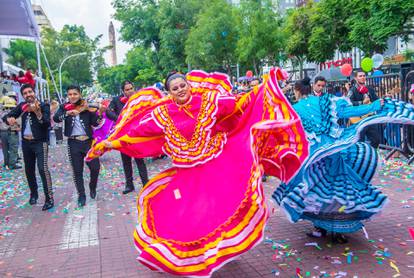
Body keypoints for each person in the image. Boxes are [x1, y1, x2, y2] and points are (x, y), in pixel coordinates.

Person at [86, 68, 309, 276]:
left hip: (216, 165)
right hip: (187, 175)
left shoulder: (209, 102)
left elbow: (240, 104)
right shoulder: (163, 114)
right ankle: (189, 255)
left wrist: (267, 84)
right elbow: (137, 132)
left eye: (183, 85)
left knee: (225, 205)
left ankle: (222, 247)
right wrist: (108, 144)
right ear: (169, 93)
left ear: (189, 86)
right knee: (188, 215)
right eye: (175, 88)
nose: (180, 90)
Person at [273, 77, 414, 243]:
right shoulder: (327, 102)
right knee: (339, 188)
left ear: (297, 91)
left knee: (316, 190)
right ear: (311, 87)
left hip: (314, 157)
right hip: (335, 150)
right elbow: (350, 112)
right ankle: (338, 231)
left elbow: (279, 129)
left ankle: (322, 228)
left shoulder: (294, 109)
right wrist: (374, 106)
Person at [2, 84, 54, 211]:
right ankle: (34, 194)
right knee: (29, 170)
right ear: (23, 95)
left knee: (43, 169)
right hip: (26, 143)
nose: (28, 94)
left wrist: (37, 112)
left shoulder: (43, 106)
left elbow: (47, 123)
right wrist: (10, 119)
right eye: (25, 93)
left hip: (40, 142)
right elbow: (6, 117)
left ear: (34, 92)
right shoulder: (22, 106)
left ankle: (49, 198)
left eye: (30, 92)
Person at [53, 85, 103, 207]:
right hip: (73, 142)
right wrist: (67, 113)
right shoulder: (64, 107)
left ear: (80, 94)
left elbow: (95, 123)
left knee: (95, 167)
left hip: (88, 142)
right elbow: (56, 118)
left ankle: (92, 186)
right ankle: (82, 195)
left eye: (75, 94)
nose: (72, 96)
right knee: (77, 171)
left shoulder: (86, 106)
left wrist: (100, 113)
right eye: (70, 94)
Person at [106, 80, 149, 194]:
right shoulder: (116, 100)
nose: (129, 91)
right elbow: (108, 112)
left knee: (140, 160)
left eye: (131, 88)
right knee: (126, 161)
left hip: (136, 134)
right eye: (127, 89)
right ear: (123, 91)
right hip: (122, 135)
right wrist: (120, 120)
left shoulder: (139, 98)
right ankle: (129, 185)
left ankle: (146, 184)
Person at [347, 71, 380, 148]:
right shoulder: (352, 90)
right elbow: (349, 103)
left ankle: (371, 154)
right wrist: (362, 102)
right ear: (356, 78)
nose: (362, 77)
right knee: (359, 141)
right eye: (360, 76)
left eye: (364, 76)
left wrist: (385, 98)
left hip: (369, 118)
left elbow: (376, 100)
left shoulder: (369, 89)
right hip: (358, 119)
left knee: (376, 139)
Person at [0, 95, 21, 169]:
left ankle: (6, 163)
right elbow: (17, 125)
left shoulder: (1, 112)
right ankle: (12, 164)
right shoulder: (13, 113)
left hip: (2, 132)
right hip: (11, 131)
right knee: (13, 148)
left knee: (5, 149)